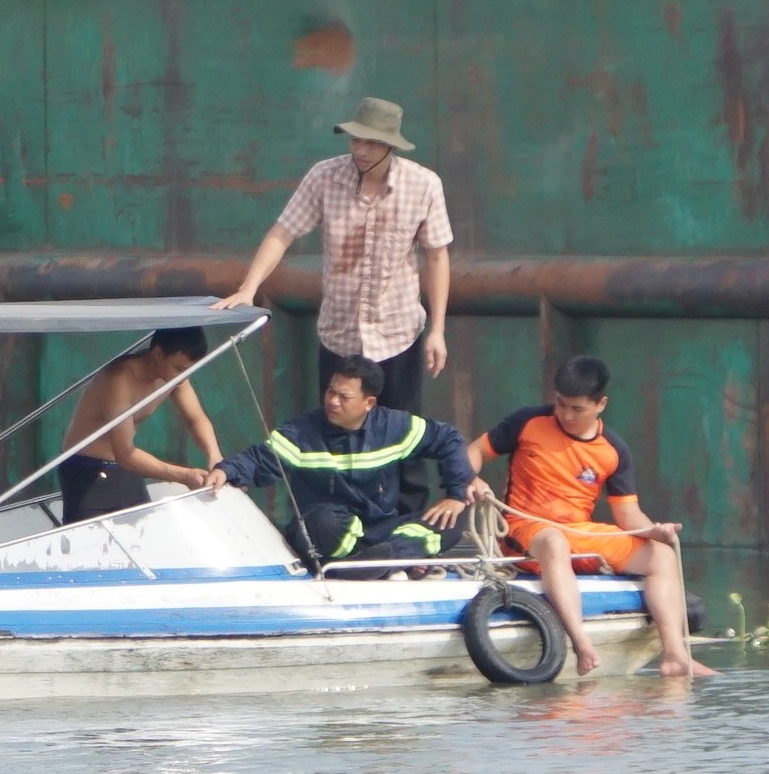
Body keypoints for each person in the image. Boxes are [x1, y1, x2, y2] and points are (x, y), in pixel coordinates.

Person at [472, 355, 709, 678]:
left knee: (662, 556)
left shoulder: (613, 449)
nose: (566, 415)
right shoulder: (528, 422)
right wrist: (469, 479)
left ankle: (674, 655)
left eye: (577, 408)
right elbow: (473, 452)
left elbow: (627, 515)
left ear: (601, 405)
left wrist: (655, 531)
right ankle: (581, 644)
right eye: (561, 404)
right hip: (524, 528)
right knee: (554, 542)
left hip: (579, 532)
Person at [215, 96, 453, 414]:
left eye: (372, 143)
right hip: (340, 335)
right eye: (356, 140)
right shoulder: (325, 176)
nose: (361, 151)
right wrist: (249, 288)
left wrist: (437, 330)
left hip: (397, 333)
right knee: (336, 436)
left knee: (401, 438)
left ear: (390, 146)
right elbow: (282, 233)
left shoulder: (423, 185)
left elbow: (437, 257)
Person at [207, 358, 476, 567]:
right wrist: (226, 470)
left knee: (453, 519)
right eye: (331, 392)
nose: (333, 401)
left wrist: (455, 493)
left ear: (368, 403)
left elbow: (448, 439)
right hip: (328, 530)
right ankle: (379, 563)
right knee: (322, 523)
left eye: (344, 397)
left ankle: (384, 559)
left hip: (381, 529)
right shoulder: (302, 433)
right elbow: (258, 460)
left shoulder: (395, 427)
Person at [54, 325, 224, 520]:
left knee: (143, 540)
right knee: (89, 545)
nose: (184, 376)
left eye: (190, 370)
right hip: (87, 471)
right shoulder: (120, 377)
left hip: (127, 469)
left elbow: (196, 419)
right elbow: (124, 452)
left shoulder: (175, 378)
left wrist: (215, 458)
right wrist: (184, 475)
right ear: (158, 353)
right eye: (179, 368)